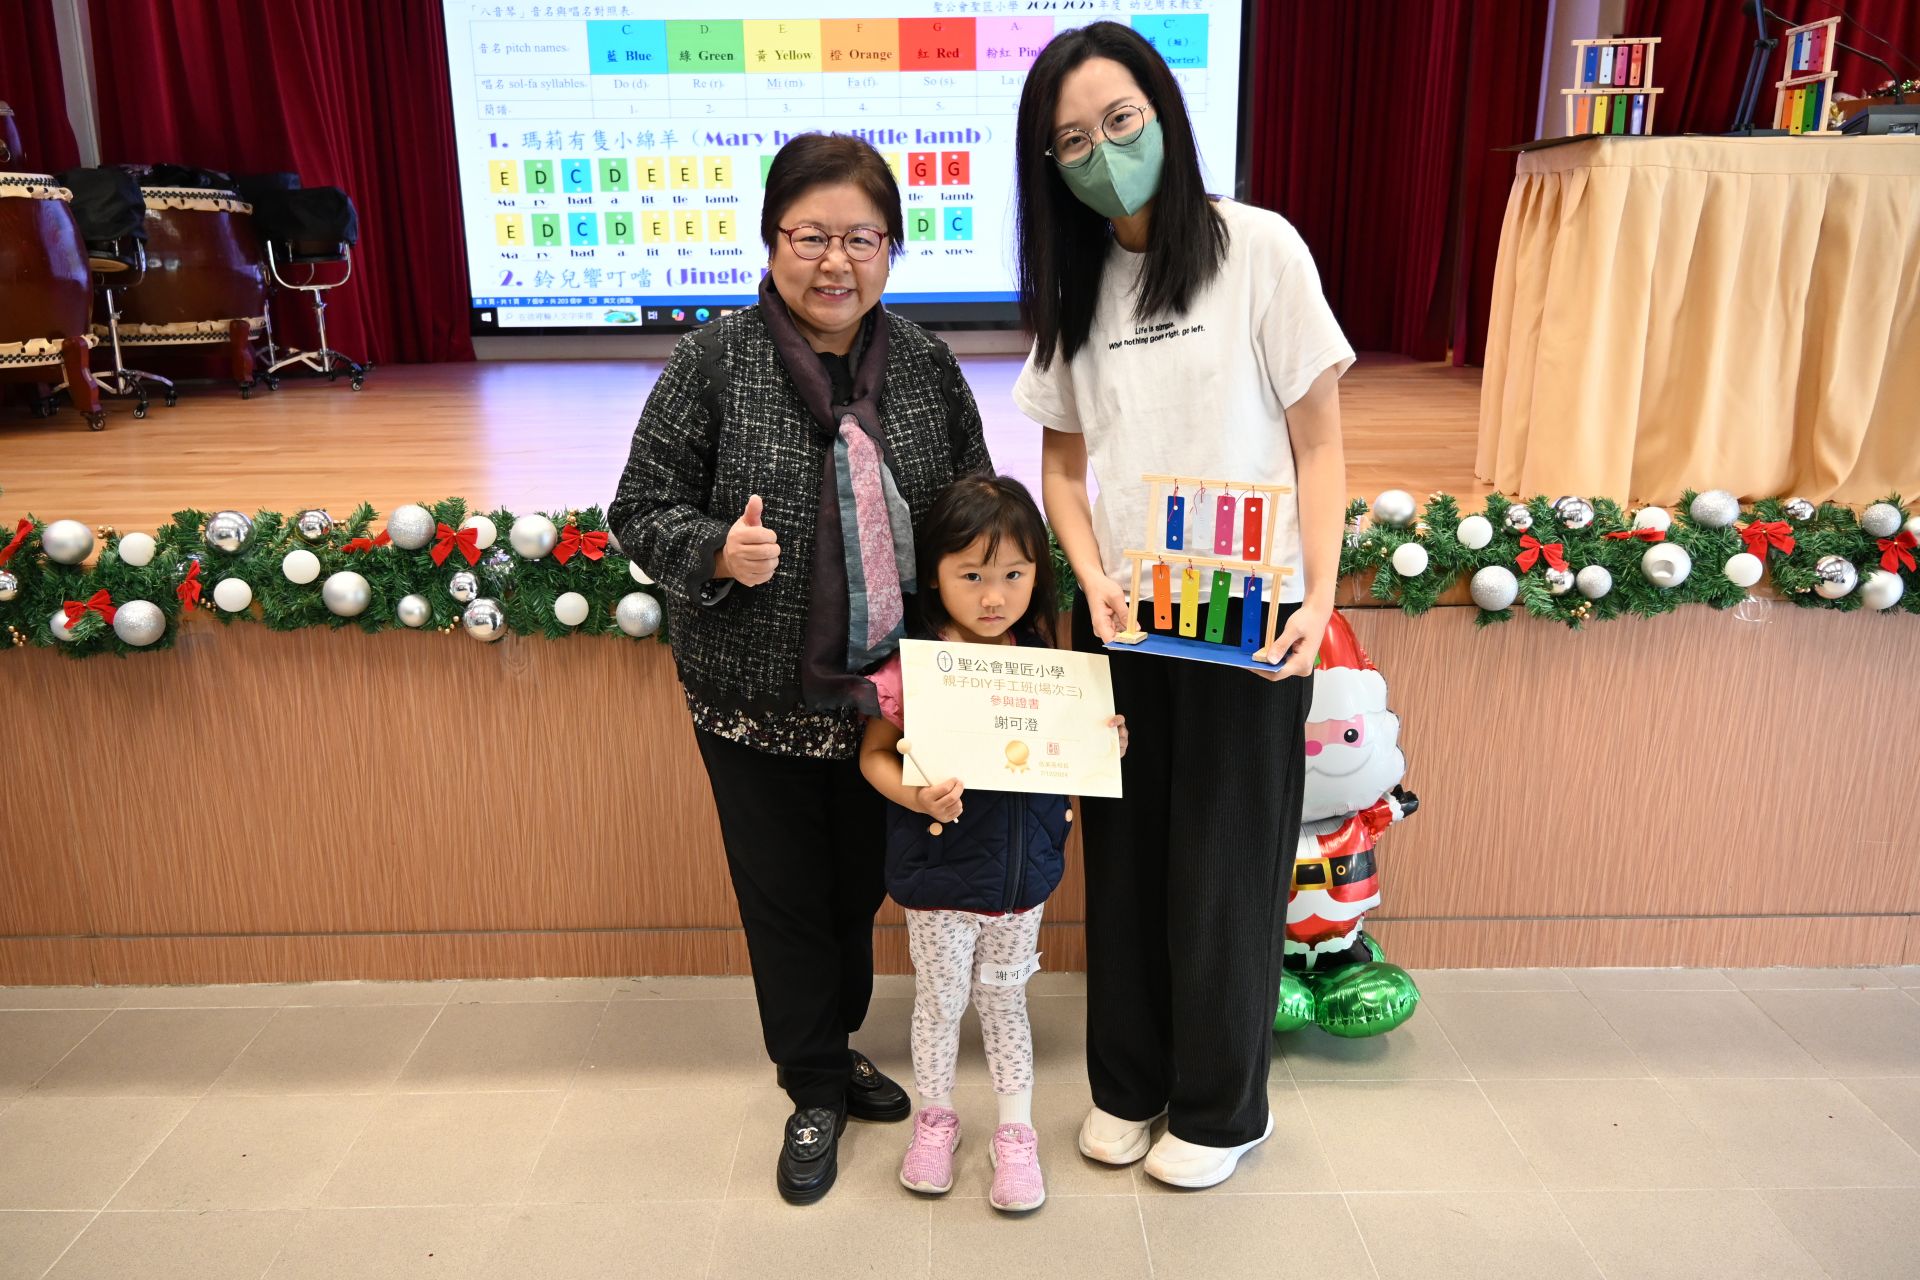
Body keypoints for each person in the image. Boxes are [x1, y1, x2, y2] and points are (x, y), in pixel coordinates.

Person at [607, 132, 993, 1206]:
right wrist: (715, 551)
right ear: (772, 241)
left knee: (855, 892)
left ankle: (832, 1041)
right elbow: (638, 506)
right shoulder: (714, 360)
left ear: (892, 247)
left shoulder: (925, 364)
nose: (835, 262)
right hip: (754, 700)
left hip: (892, 697)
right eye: (809, 236)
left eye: (860, 239)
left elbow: (973, 505)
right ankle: (814, 1082)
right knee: (784, 900)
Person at [1011, 22, 1354, 1189]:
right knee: (1126, 862)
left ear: (1164, 113)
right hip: (1127, 617)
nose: (1102, 153)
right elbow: (1064, 469)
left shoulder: (1260, 248)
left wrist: (1320, 593)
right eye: (1072, 141)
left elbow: (1320, 443)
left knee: (1225, 864)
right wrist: (1090, 574)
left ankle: (1222, 1104)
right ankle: (1129, 1084)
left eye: (1120, 122)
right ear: (1049, 165)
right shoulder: (1076, 283)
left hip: (1248, 618)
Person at [857, 474, 1125, 1213]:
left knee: (1006, 1004)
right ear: (934, 575)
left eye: (1013, 574)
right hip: (938, 876)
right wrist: (916, 794)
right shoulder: (913, 666)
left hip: (1020, 879)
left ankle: (1016, 1134)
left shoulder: (1047, 660)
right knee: (940, 1004)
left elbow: (1070, 752)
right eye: (971, 576)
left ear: (1038, 574)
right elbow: (873, 756)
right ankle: (935, 1123)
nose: (993, 596)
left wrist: (1103, 741)